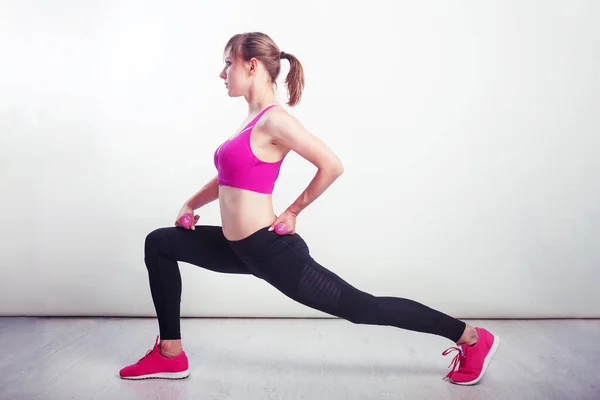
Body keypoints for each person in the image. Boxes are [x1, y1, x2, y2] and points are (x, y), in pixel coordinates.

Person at [118, 32, 499, 385]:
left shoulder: (276, 121)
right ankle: (170, 353)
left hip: (268, 249)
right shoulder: (248, 120)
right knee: (160, 243)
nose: (222, 73)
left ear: (251, 65)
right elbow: (227, 177)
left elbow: (331, 164)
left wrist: (293, 210)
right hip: (239, 249)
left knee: (361, 307)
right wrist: (190, 203)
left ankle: (470, 337)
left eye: (228, 63)